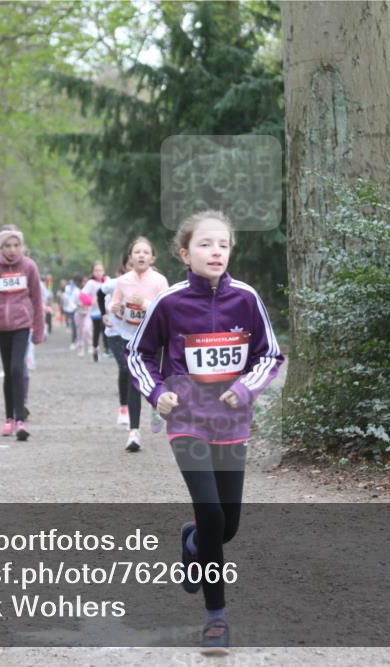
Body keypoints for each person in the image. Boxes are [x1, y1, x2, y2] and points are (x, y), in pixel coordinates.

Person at [128, 211, 284, 654]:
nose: (216, 252)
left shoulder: (246, 299)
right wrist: (157, 392)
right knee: (212, 513)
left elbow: (269, 356)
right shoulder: (170, 302)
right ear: (184, 253)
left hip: (232, 423)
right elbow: (138, 354)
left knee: (226, 526)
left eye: (223, 245)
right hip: (187, 422)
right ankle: (216, 618)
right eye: (205, 244)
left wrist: (245, 388)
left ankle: (193, 540)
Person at [0, 226, 45, 441]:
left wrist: (39, 330)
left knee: (17, 367)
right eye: (7, 246)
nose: (12, 250)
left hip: (22, 324)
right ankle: (8, 418)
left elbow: (37, 298)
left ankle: (20, 420)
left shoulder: (29, 266)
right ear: (1, 247)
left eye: (16, 245)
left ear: (22, 246)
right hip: (2, 325)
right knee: (8, 372)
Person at [110, 236, 169, 451]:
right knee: (133, 381)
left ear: (152, 258)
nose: (141, 255)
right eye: (137, 252)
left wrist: (144, 303)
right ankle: (133, 432)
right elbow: (115, 303)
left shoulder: (159, 281)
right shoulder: (123, 281)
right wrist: (116, 309)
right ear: (130, 258)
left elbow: (166, 310)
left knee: (154, 378)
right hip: (131, 337)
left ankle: (156, 407)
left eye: (145, 252)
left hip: (155, 338)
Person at [101, 254, 133, 426]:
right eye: (130, 265)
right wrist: (104, 314)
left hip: (136, 334)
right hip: (115, 333)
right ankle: (124, 408)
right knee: (125, 367)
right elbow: (100, 293)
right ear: (124, 267)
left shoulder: (149, 283)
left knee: (137, 370)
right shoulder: (115, 283)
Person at [83, 261, 108, 362]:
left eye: (100, 270)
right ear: (92, 272)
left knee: (106, 329)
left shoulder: (108, 281)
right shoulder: (90, 283)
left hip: (106, 311)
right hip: (95, 312)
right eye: (96, 271)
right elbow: (82, 295)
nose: (98, 272)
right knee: (96, 332)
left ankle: (107, 349)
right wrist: (90, 302)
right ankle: (95, 350)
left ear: (104, 271)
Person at [62, 275, 80, 350]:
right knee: (73, 325)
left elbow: (78, 300)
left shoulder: (78, 290)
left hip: (76, 309)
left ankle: (76, 340)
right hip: (68, 308)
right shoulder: (67, 288)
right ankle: (74, 341)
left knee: (75, 326)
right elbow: (66, 298)